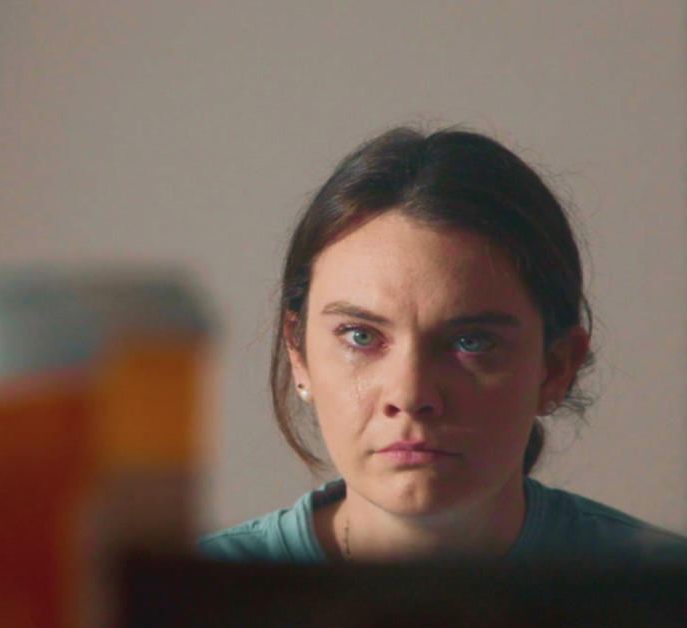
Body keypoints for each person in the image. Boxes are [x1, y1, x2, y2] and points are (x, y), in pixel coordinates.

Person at [201, 126, 685, 562]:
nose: (410, 396)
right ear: (298, 353)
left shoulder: (662, 603)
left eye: (471, 341)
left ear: (556, 367)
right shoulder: (184, 615)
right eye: (361, 336)